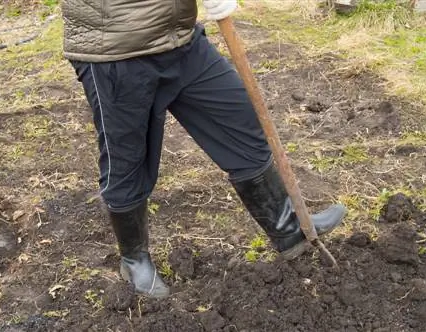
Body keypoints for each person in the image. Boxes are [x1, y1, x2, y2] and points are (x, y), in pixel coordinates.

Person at [62, 0, 346, 298]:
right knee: (128, 160)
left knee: (240, 121)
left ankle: (287, 227)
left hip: (180, 39)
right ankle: (134, 260)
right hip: (116, 50)